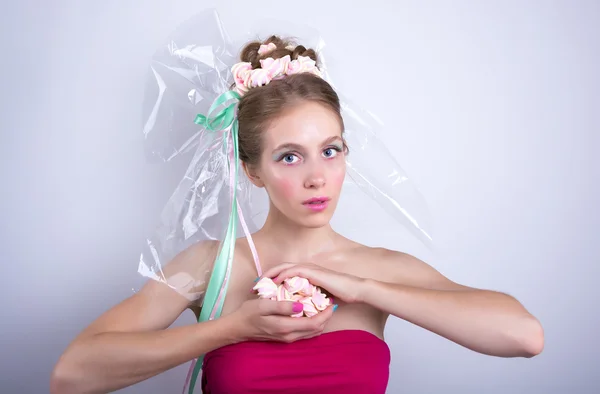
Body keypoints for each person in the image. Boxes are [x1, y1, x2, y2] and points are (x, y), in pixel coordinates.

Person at [50, 35, 544, 394]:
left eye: (331, 150)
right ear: (252, 171)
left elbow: (525, 336)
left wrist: (363, 289)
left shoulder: (382, 270)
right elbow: (71, 375)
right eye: (290, 156)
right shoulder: (209, 268)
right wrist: (235, 327)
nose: (317, 176)